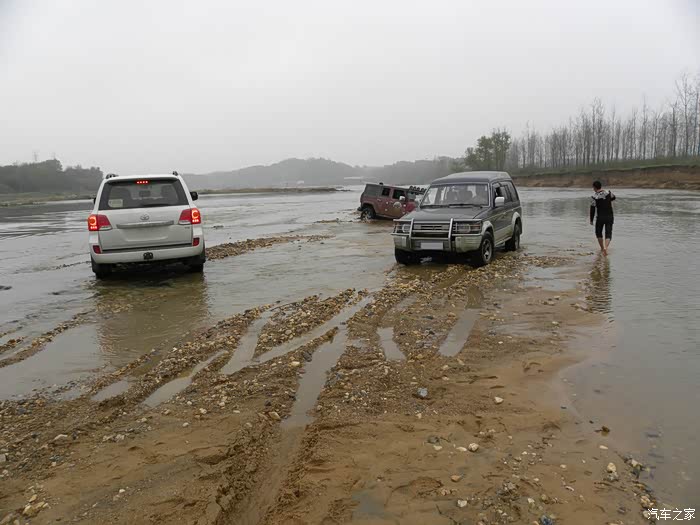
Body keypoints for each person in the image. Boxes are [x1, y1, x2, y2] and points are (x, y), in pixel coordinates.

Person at [589, 180, 616, 256]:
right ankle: (605, 248)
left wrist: (591, 220)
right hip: (610, 216)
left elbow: (592, 209)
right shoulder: (608, 192)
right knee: (608, 233)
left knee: (598, 233)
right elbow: (614, 197)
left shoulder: (594, 197)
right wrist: (607, 200)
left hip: (600, 217)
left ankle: (601, 248)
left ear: (594, 187)